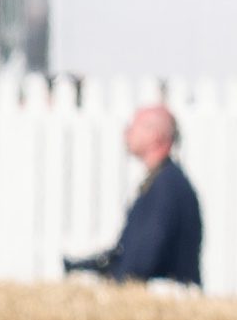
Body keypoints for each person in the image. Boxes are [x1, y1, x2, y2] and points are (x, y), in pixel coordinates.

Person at [65, 104, 203, 288]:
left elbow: (143, 259)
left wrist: (117, 280)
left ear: (155, 135)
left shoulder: (166, 187)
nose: (127, 133)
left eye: (134, 127)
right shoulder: (163, 181)